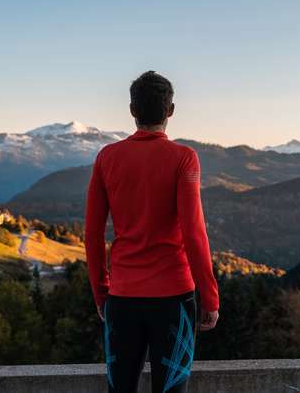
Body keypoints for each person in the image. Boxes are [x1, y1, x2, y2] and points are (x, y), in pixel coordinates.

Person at [84, 70, 220, 393]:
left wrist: (101, 292)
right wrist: (210, 296)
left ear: (132, 110)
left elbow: (92, 234)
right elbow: (194, 233)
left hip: (122, 298)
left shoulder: (107, 158)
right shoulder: (184, 159)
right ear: (170, 111)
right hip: (174, 299)